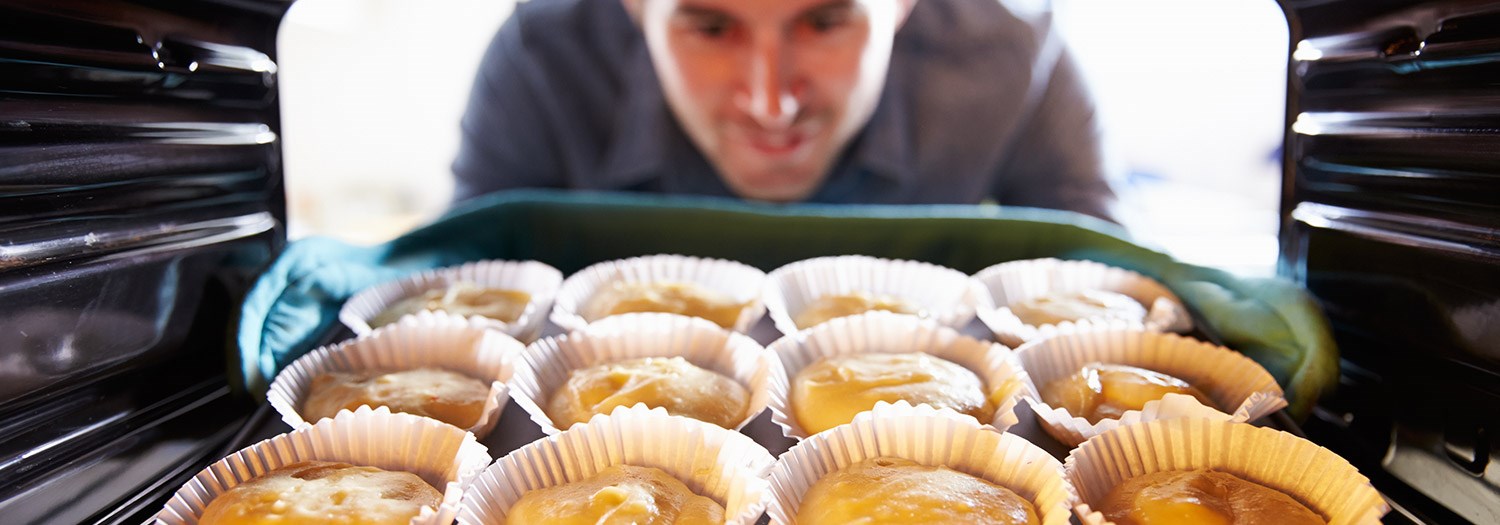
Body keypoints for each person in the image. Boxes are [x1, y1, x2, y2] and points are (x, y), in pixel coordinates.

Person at [452, 0, 1117, 221]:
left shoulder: (1009, 53)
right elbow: (463, 295)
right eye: (712, 29)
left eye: (825, 22)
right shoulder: (541, 60)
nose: (771, 105)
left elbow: (1109, 293)